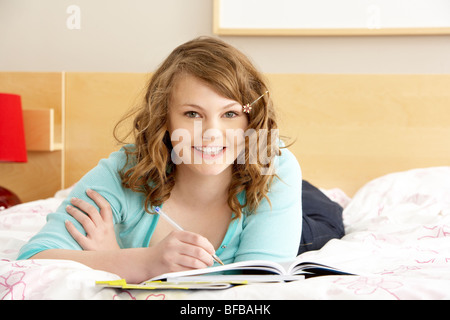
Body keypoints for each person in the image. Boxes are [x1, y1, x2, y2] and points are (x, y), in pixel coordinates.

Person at [18, 37, 303, 284]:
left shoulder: (274, 164)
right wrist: (142, 262)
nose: (212, 135)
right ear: (164, 118)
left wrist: (114, 257)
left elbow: (262, 287)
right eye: (193, 114)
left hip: (284, 201)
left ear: (250, 120)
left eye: (230, 114)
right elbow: (33, 260)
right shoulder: (123, 171)